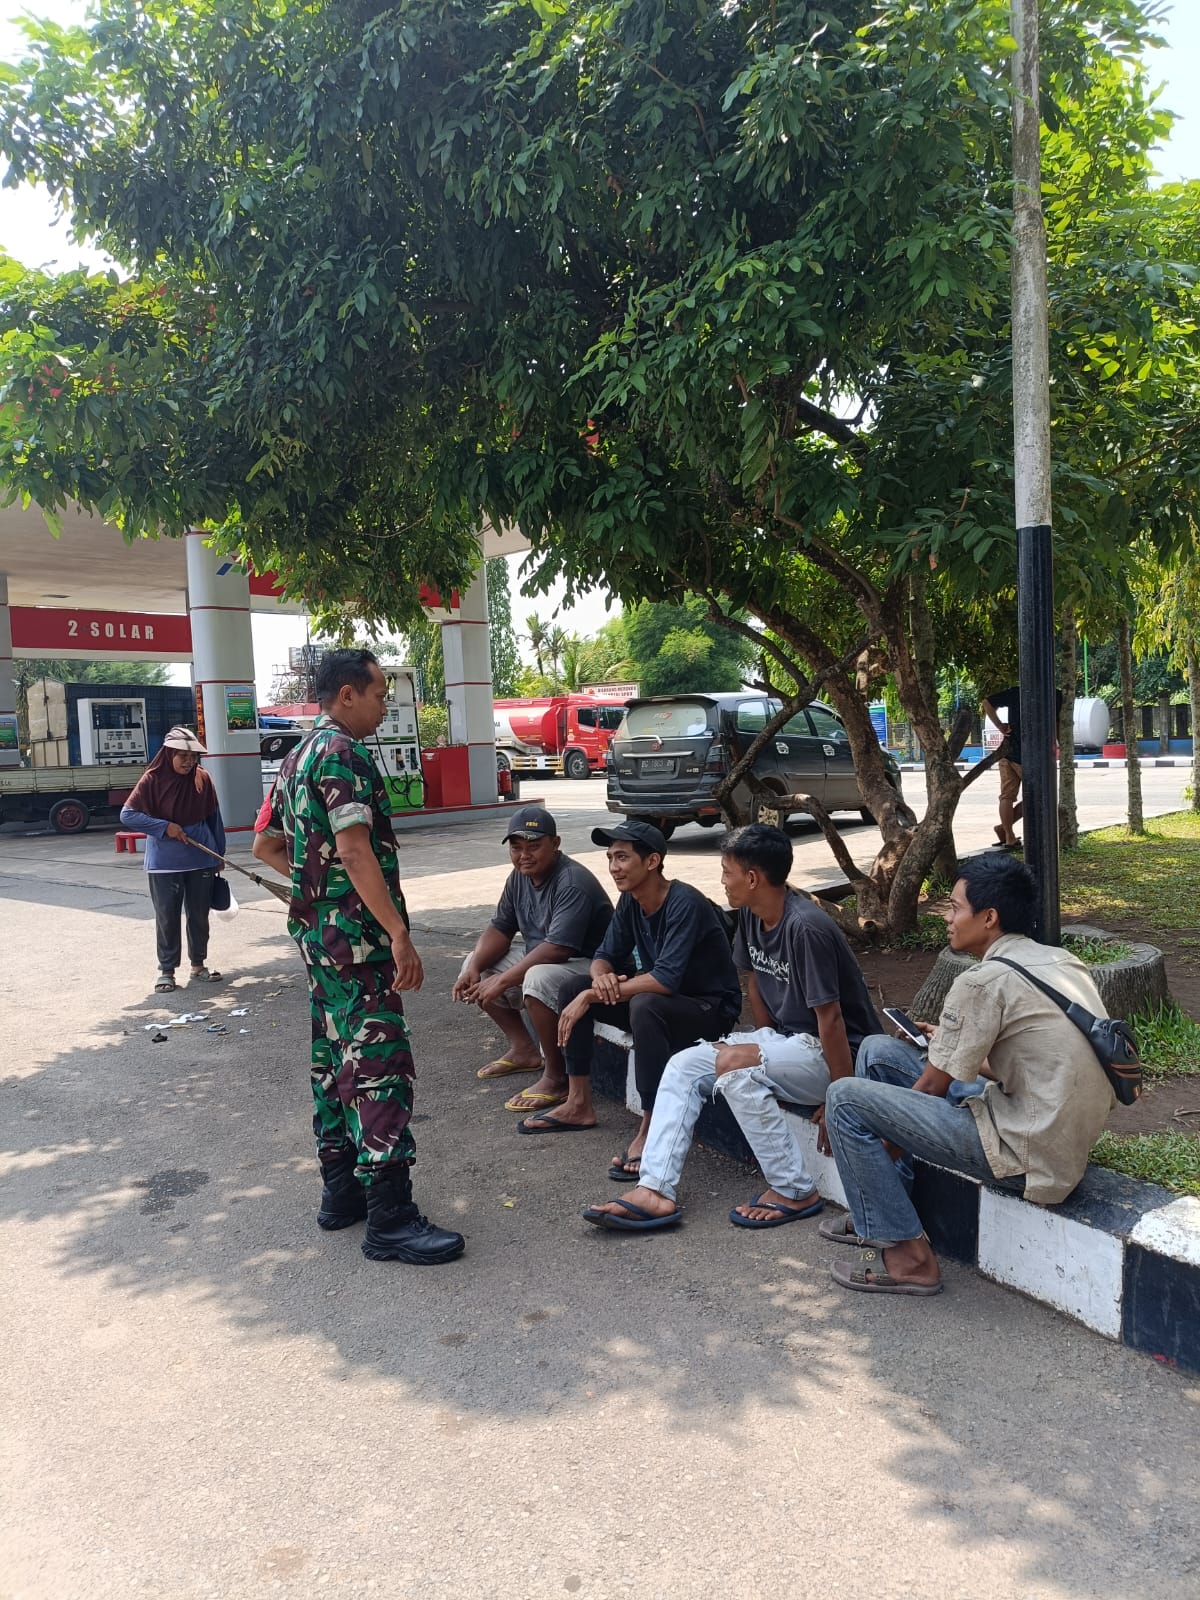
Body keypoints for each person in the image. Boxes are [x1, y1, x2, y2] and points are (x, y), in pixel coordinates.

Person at [252, 648, 464, 1266]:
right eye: (378, 696)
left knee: (330, 1059)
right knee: (378, 1063)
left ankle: (341, 1192)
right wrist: (397, 932)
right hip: (360, 945)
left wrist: (315, 894)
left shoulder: (296, 757)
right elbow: (353, 849)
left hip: (321, 941)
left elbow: (265, 844)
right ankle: (390, 1217)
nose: (383, 707)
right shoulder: (343, 753)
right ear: (347, 694)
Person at [822, 853, 1114, 1297]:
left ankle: (909, 1259)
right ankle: (885, 1212)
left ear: (989, 917)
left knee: (844, 1099)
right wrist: (947, 1041)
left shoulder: (981, 982)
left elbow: (930, 1089)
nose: (946, 918)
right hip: (1058, 1139)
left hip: (1024, 1154)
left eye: (955, 908)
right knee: (879, 1052)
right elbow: (1033, 1062)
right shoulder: (1059, 961)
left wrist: (872, 1161)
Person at [583, 824, 881, 1231]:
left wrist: (838, 1097)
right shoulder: (753, 916)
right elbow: (756, 982)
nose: (722, 881)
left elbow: (831, 1019)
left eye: (727, 872)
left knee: (736, 1067)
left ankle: (794, 1190)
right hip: (791, 1045)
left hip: (837, 1055)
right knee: (684, 1066)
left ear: (752, 878)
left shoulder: (805, 927)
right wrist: (766, 1044)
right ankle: (654, 1190)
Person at [516, 820, 741, 1142]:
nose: (613, 867)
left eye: (622, 857)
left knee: (643, 1004)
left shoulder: (685, 902)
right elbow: (603, 955)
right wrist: (600, 978)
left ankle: (651, 1126)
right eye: (610, 858)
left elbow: (664, 980)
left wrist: (592, 996)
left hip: (709, 1011)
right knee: (573, 987)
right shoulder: (630, 900)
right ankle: (578, 1103)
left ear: (652, 861)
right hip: (666, 1004)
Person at [451, 805, 613, 1114]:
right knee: (476, 963)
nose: (524, 855)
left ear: (555, 843)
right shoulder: (518, 877)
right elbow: (500, 928)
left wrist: (502, 981)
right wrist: (475, 968)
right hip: (548, 958)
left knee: (537, 977)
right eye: (516, 847)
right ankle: (524, 1049)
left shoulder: (572, 881)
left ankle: (556, 1076)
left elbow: (558, 949)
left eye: (534, 846)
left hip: (592, 966)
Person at [120, 726, 226, 993]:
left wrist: (219, 854)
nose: (189, 762)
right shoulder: (152, 780)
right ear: (169, 755)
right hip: (164, 863)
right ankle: (167, 971)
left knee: (199, 915)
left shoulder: (202, 778)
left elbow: (214, 818)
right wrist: (164, 827)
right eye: (183, 756)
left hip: (201, 858)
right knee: (167, 916)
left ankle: (198, 965)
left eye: (193, 757)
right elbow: (128, 815)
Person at [981, 684, 1023, 847]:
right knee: (1038, 796)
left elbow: (987, 703)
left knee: (1006, 796)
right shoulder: (1052, 695)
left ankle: (1007, 833)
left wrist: (1000, 726)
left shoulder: (1015, 692)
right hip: (1027, 754)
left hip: (1006, 750)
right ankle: (1005, 830)